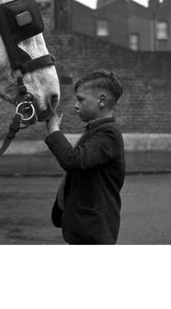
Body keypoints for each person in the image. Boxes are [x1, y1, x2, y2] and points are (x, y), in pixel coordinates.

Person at [45, 69, 125, 244]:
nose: (76, 105)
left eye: (81, 99)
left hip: (94, 230)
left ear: (102, 101)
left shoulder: (108, 134)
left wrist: (54, 131)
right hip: (85, 226)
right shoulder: (97, 130)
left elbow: (73, 161)